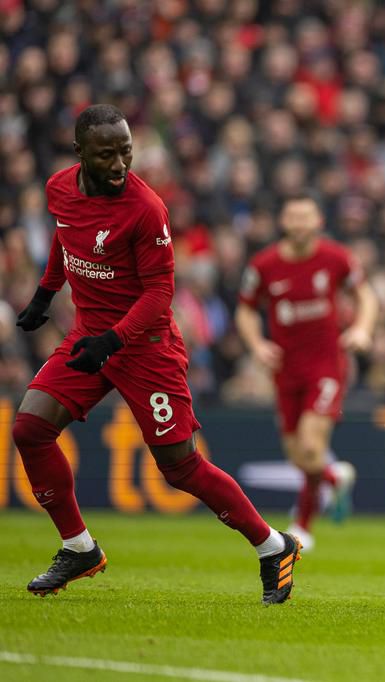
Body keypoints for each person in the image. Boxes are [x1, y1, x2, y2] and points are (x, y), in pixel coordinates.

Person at [14, 105, 302, 604]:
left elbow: (158, 295)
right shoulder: (59, 187)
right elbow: (65, 237)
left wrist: (111, 342)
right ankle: (78, 547)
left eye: (126, 151)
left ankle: (273, 546)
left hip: (145, 346)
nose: (120, 164)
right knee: (30, 429)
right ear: (80, 153)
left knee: (179, 467)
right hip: (90, 336)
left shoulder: (146, 208)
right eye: (106, 155)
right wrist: (45, 293)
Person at [236, 193, 377, 551]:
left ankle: (302, 524)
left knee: (312, 444)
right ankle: (333, 476)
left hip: (326, 365)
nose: (299, 224)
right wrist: (256, 345)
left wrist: (361, 328)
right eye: (292, 217)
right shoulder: (264, 265)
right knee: (298, 454)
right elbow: (246, 311)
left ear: (318, 222)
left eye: (305, 217)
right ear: (283, 222)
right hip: (285, 369)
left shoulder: (335, 257)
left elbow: (366, 296)